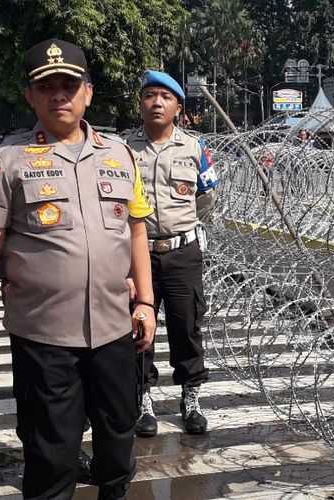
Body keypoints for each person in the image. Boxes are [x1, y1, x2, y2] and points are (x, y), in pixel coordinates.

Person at [0, 39, 156, 500]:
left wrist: (146, 302)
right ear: (30, 96)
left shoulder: (119, 155)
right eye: (46, 87)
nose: (59, 96)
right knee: (51, 450)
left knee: (118, 437)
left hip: (113, 328)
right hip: (43, 335)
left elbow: (135, 233)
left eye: (68, 85)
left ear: (87, 92)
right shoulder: (6, 160)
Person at [126, 70, 219, 438]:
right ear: (141, 103)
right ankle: (142, 399)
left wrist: (182, 229)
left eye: (165, 97)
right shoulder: (124, 149)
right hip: (138, 253)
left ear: (178, 107)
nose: (157, 102)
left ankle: (190, 398)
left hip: (183, 252)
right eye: (150, 95)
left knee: (187, 325)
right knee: (137, 327)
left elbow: (207, 198)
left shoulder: (194, 149)